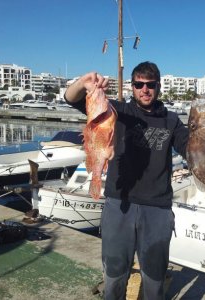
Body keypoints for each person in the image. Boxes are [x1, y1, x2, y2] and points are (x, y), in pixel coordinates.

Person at [65, 61, 189, 300]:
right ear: (132, 87)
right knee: (114, 275)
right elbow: (71, 99)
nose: (145, 89)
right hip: (118, 204)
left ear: (158, 86)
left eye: (150, 84)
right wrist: (83, 83)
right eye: (139, 84)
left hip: (157, 208)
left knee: (154, 279)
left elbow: (188, 148)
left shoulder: (171, 121)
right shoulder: (116, 111)